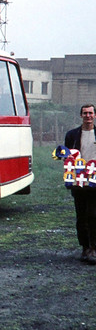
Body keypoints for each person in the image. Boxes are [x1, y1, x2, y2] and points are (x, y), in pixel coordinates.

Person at [65, 103, 96, 264]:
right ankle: (84, 247)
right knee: (81, 216)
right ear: (81, 115)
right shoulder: (72, 135)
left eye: (90, 113)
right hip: (79, 182)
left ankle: (93, 248)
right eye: (85, 113)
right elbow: (67, 158)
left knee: (93, 215)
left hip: (95, 182)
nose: (88, 116)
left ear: (95, 115)